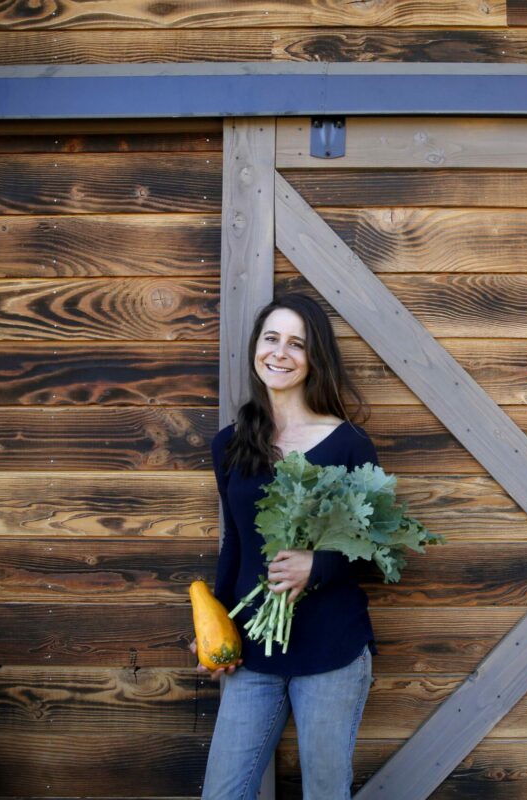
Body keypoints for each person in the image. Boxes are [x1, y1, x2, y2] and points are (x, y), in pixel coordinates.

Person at [194, 293, 378, 800]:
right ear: (256, 347)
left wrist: (316, 565)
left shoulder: (348, 444)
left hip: (331, 651)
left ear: (316, 358)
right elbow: (235, 541)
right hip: (253, 652)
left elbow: (371, 545)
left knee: (324, 792)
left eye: (297, 343)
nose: (280, 352)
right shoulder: (231, 443)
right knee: (223, 793)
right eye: (271, 338)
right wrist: (216, 626)